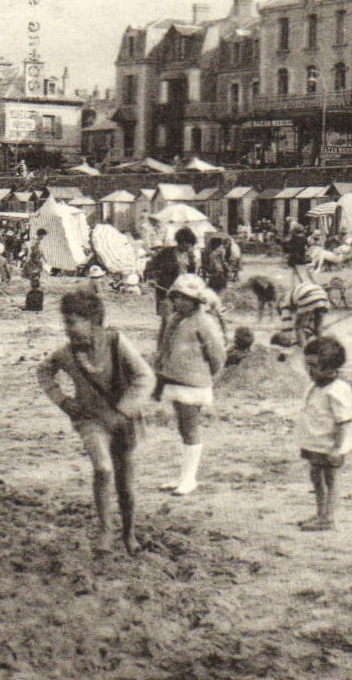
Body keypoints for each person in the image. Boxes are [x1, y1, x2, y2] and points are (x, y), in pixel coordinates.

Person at [38, 291, 155, 554]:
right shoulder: (66, 354)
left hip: (124, 421)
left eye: (71, 322)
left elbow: (145, 376)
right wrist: (63, 401)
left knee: (125, 482)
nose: (66, 329)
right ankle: (105, 530)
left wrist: (124, 409)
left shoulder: (115, 342)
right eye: (65, 322)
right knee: (103, 469)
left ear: (92, 320)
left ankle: (129, 533)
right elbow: (43, 371)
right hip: (91, 420)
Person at [154, 273, 225, 497]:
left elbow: (217, 354)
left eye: (185, 298)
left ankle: (189, 478)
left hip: (194, 382)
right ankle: (184, 476)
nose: (180, 302)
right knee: (183, 429)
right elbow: (163, 345)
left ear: (196, 301)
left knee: (191, 428)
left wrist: (207, 376)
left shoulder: (204, 321)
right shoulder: (175, 320)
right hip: (175, 379)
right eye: (177, 297)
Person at [296, 336, 352, 531]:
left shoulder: (337, 391)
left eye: (314, 366)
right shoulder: (316, 386)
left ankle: (329, 517)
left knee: (331, 479)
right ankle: (320, 512)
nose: (309, 371)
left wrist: (338, 448)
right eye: (308, 366)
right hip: (314, 441)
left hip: (330, 445)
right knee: (316, 477)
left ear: (331, 368)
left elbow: (343, 422)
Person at [145, 227, 200, 317]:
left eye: (190, 245)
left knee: (181, 314)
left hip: (183, 288)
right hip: (166, 287)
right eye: (187, 244)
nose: (189, 247)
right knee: (167, 314)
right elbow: (152, 265)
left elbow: (192, 273)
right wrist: (152, 278)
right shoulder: (166, 252)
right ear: (181, 242)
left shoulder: (190, 256)